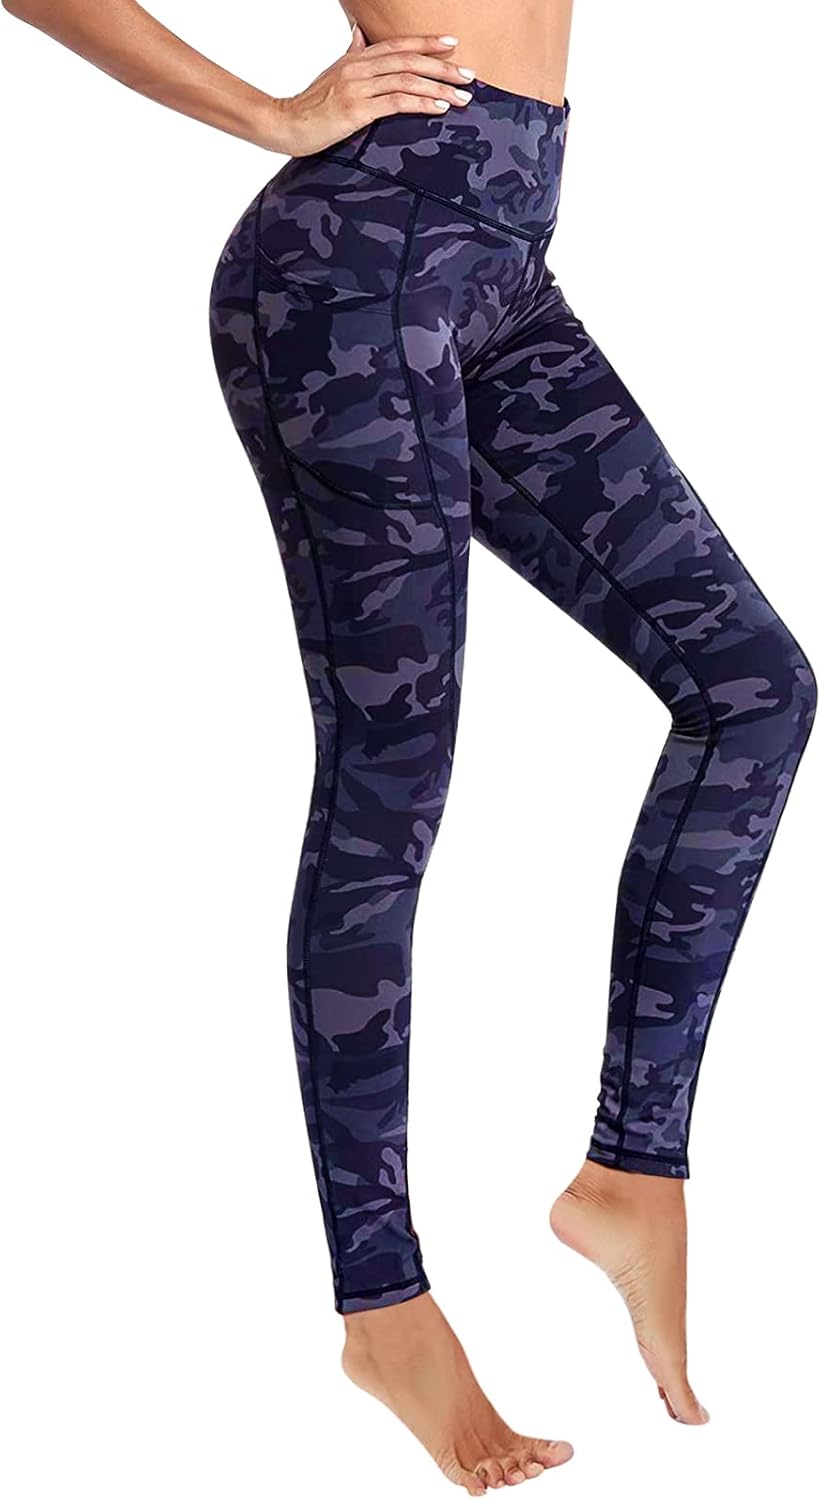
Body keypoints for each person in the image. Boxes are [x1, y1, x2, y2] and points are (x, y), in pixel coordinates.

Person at [3, 0, 816, 1489]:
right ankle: (383, 1308)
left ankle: (631, 1168)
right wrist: (268, 114)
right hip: (354, 269)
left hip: (500, 265)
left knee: (754, 689)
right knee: (393, 776)